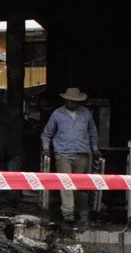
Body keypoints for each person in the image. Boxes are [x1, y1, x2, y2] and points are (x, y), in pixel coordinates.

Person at [41, 87, 102, 226]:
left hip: (82, 152)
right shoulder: (57, 114)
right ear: (65, 101)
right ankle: (68, 214)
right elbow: (47, 133)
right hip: (63, 153)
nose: (73, 104)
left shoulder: (86, 113)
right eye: (71, 101)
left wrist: (95, 148)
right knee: (66, 183)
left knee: (79, 185)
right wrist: (46, 147)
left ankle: (80, 213)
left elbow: (92, 132)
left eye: (76, 102)